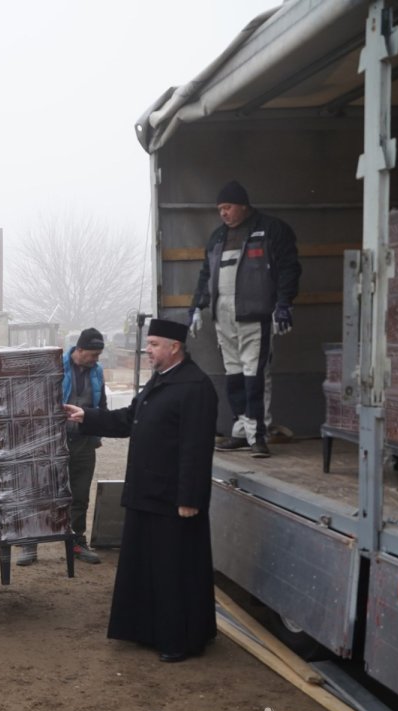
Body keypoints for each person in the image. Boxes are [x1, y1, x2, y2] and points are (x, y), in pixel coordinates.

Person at [65, 318, 218, 662]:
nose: (147, 350)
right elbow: (128, 420)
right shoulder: (160, 382)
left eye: (153, 345)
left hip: (173, 500)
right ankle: (145, 630)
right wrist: (86, 416)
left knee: (173, 571)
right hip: (146, 494)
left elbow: (196, 448)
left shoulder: (195, 387)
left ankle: (177, 640)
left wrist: (190, 498)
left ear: (174, 347)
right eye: (148, 344)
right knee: (146, 568)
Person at [189, 180, 301, 458]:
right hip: (223, 315)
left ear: (243, 204)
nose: (223, 214)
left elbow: (289, 268)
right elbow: (206, 275)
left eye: (227, 207)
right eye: (219, 209)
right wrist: (196, 308)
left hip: (256, 313)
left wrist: (284, 304)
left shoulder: (271, 229)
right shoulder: (217, 237)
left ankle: (257, 435)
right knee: (235, 373)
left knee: (255, 374)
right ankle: (241, 430)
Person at [17, 327, 106, 566]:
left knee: (79, 495)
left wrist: (97, 433)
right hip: (52, 442)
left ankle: (76, 541)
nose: (96, 360)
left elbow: (102, 405)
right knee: (42, 492)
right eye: (92, 354)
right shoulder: (54, 367)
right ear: (79, 350)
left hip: (83, 442)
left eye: (98, 355)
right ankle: (30, 543)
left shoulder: (97, 372)